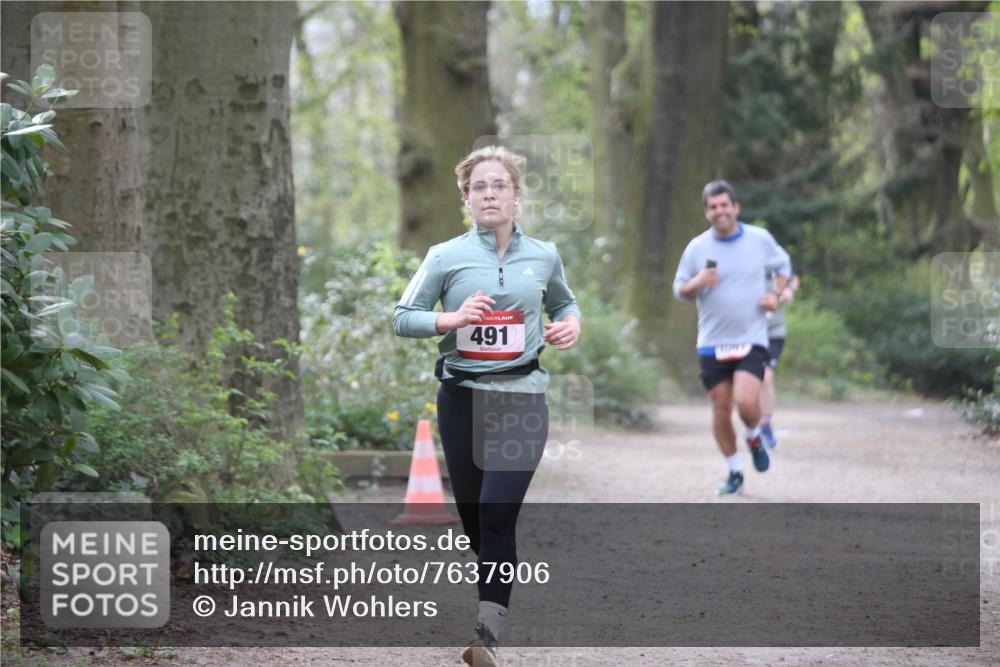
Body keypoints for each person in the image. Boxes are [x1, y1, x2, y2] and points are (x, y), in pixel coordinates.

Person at [393, 145, 582, 667]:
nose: (490, 193)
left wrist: (572, 323)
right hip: (461, 399)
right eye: (480, 186)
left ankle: (486, 635)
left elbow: (564, 301)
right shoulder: (444, 256)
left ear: (516, 196)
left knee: (499, 513)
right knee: (477, 521)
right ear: (467, 198)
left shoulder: (543, 255)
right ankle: (496, 577)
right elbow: (402, 315)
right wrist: (449, 321)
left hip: (522, 399)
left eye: (500, 185)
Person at [672, 180, 791, 496]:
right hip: (711, 342)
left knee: (745, 401)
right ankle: (734, 471)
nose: (719, 211)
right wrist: (696, 282)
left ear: (735, 207)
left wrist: (775, 294)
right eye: (713, 207)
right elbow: (680, 289)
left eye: (725, 205)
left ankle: (753, 435)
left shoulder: (759, 239)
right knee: (720, 411)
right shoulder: (697, 248)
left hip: (751, 338)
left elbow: (784, 266)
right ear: (706, 212)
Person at [760, 272, 800, 449]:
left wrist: (789, 290)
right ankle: (752, 423)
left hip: (773, 332)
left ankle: (766, 425)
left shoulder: (776, 263)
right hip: (747, 332)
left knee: (766, 378)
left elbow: (792, 281)